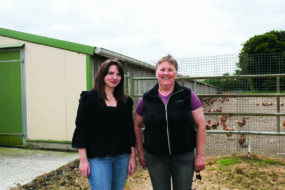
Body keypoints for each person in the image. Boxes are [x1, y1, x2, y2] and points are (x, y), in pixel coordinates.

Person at [134, 54, 206, 190]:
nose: (166, 73)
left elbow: (201, 125)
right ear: (156, 72)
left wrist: (200, 156)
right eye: (162, 69)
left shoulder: (188, 95)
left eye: (170, 69)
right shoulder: (147, 98)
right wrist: (141, 152)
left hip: (184, 157)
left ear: (176, 73)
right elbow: (137, 125)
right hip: (155, 158)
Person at [72, 58, 137, 190]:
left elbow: (129, 130)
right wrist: (83, 160)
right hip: (99, 158)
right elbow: (81, 128)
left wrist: (132, 157)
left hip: (122, 157)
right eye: (110, 73)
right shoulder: (89, 98)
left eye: (118, 74)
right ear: (102, 75)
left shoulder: (125, 101)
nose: (114, 77)